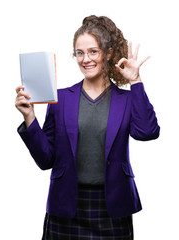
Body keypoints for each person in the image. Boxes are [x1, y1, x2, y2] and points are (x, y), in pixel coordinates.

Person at [15, 15, 159, 239]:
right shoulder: (60, 99)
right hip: (66, 206)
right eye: (79, 53)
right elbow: (45, 160)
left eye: (93, 51)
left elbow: (147, 132)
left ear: (108, 53)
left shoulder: (127, 99)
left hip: (112, 207)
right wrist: (30, 118)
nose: (86, 59)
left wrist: (135, 81)